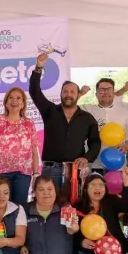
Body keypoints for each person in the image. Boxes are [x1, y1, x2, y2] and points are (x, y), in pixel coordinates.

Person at [29, 53, 100, 192]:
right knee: (49, 205)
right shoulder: (50, 110)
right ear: (61, 94)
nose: (68, 94)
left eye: (72, 92)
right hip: (50, 169)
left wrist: (87, 158)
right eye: (65, 91)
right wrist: (39, 68)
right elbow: (34, 91)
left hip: (75, 170)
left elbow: (95, 142)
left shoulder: (87, 118)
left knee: (73, 208)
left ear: (78, 95)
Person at [0, 87, 40, 206]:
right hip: (0, 172)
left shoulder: (29, 123)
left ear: (23, 104)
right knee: (0, 207)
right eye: (11, 98)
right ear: (6, 103)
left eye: (18, 98)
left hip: (23, 173)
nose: (14, 101)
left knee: (19, 208)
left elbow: (34, 150)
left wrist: (36, 174)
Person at [77, 78, 128, 171]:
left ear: (114, 93)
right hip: (93, 165)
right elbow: (67, 107)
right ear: (96, 94)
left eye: (109, 89)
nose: (105, 93)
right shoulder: (86, 109)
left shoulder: (125, 112)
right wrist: (80, 94)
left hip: (118, 165)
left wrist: (125, 147)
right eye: (101, 90)